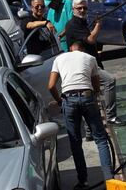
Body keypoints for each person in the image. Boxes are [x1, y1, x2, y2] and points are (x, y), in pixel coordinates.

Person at [48, 40, 113, 190]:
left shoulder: (59, 58)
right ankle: (109, 180)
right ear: (82, 49)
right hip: (87, 96)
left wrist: (60, 101)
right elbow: (96, 85)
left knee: (75, 142)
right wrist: (94, 97)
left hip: (68, 100)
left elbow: (51, 86)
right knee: (101, 140)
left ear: (70, 48)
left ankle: (83, 181)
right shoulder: (90, 58)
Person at [65, 0, 126, 129]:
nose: (82, 10)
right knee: (109, 81)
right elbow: (91, 40)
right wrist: (98, 25)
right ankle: (111, 117)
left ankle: (90, 130)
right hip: (83, 65)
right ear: (73, 9)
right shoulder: (73, 24)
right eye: (79, 8)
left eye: (84, 8)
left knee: (93, 95)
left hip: (91, 63)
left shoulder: (81, 22)